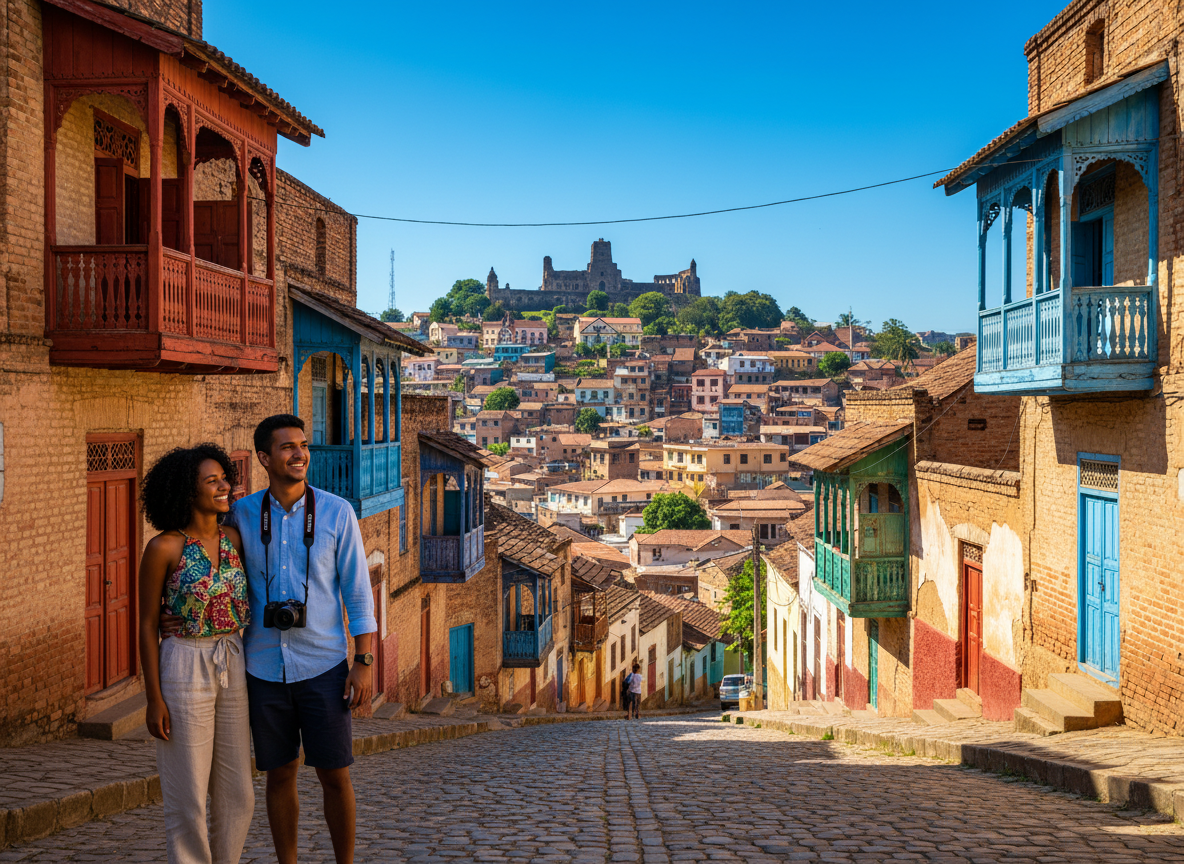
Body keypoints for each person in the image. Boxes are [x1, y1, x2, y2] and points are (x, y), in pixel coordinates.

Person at [230, 414, 376, 864]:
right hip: (263, 667)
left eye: (303, 445)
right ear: (264, 458)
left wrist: (364, 661)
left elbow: (357, 590)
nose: (299, 454)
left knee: (335, 775)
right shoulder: (242, 514)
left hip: (324, 666)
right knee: (279, 774)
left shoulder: (336, 512)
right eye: (288, 447)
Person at [138, 444, 254, 864]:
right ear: (188, 491)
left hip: (232, 658)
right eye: (213, 481)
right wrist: (154, 698)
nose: (225, 485)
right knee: (187, 792)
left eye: (225, 477)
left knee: (238, 790)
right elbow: (147, 625)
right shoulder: (164, 548)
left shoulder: (234, 541)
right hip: (184, 664)